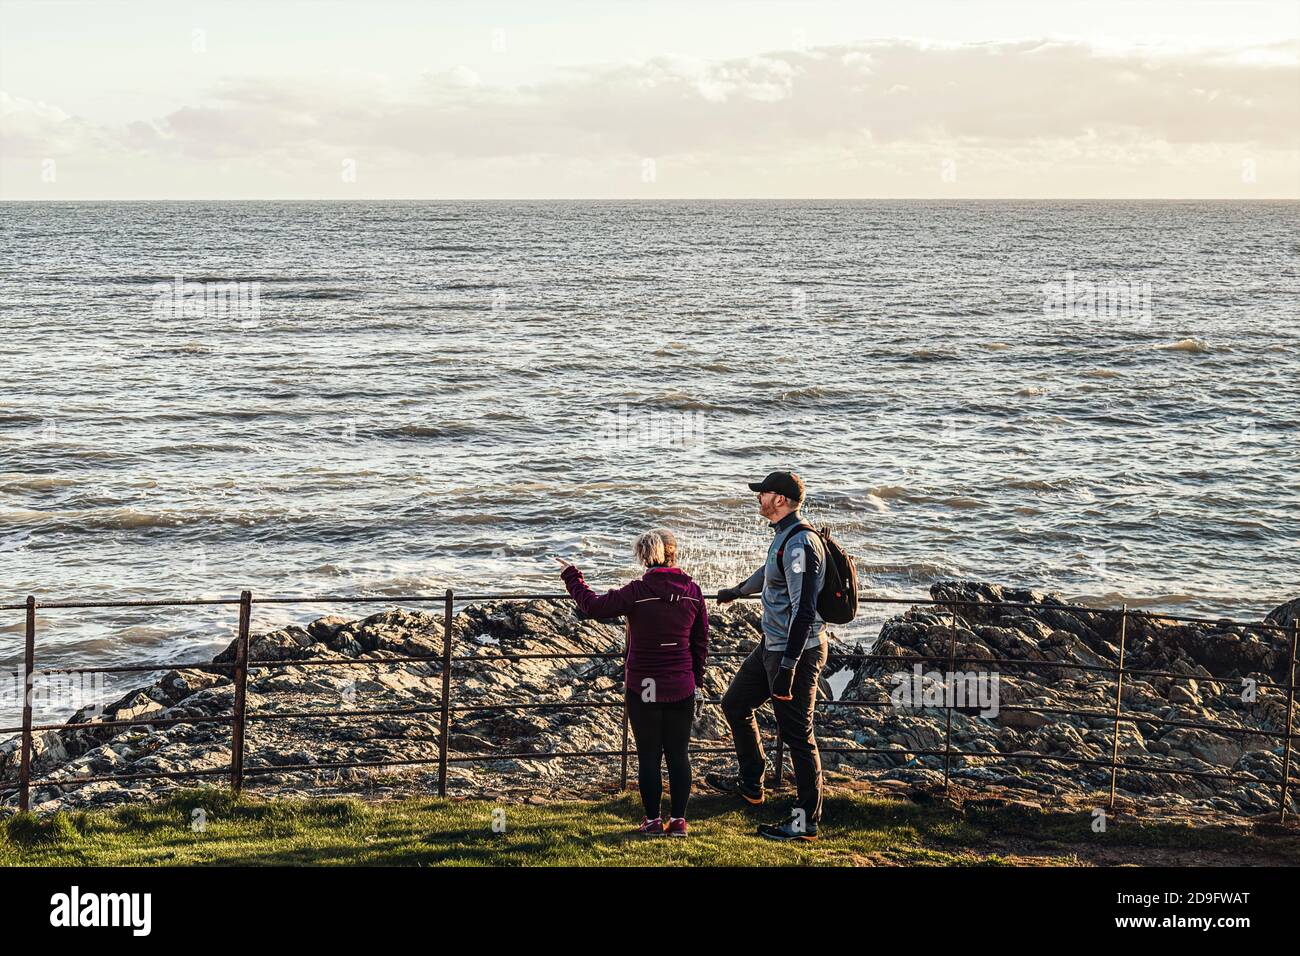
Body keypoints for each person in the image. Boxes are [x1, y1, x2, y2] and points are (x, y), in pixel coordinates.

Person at [556, 529, 708, 837]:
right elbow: (700, 642)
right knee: (679, 755)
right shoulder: (693, 591)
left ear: (644, 557)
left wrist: (572, 576)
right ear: (673, 554)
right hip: (681, 685)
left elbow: (594, 607)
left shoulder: (638, 590)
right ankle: (678, 821)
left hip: (645, 685)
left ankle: (653, 821)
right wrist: (696, 680)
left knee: (649, 755)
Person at [707, 471, 827, 841]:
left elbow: (804, 610)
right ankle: (751, 783)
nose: (758, 498)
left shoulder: (800, 545)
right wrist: (737, 590)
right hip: (770, 646)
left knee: (797, 735)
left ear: (780, 499)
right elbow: (768, 571)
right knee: (735, 703)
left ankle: (805, 821)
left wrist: (788, 667)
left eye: (763, 494)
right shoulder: (784, 537)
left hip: (796, 652)